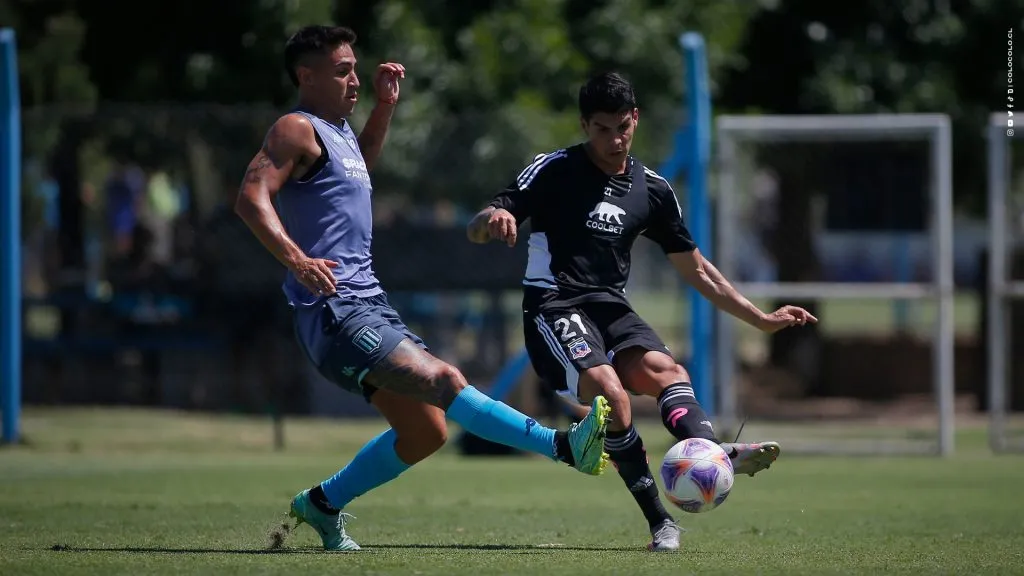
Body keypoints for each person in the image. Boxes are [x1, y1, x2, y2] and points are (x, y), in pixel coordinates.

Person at [234, 25, 612, 552]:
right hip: (333, 310)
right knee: (444, 378)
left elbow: (357, 168)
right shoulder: (294, 128)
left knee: (427, 432)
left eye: (355, 68)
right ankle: (564, 447)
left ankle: (321, 505)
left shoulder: (338, 132)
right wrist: (297, 260)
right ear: (306, 75)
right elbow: (251, 198)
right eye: (342, 70)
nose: (355, 80)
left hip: (370, 304)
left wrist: (385, 108)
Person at [466, 71, 818, 552]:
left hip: (610, 306)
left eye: (622, 127)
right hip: (554, 305)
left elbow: (698, 270)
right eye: (601, 129)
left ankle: (712, 454)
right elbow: (481, 224)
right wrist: (493, 219)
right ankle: (662, 523)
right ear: (585, 125)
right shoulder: (553, 169)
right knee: (613, 395)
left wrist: (760, 319)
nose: (613, 139)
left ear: (635, 120)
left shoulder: (652, 189)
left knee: (668, 371)